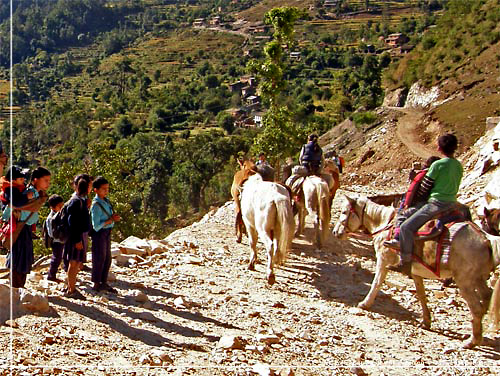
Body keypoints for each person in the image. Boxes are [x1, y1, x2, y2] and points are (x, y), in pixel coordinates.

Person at [384, 134, 463, 275]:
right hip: (453, 203)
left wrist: (414, 202)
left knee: (406, 227)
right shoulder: (458, 165)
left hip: (436, 204)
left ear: (439, 148)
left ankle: (405, 262)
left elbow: (425, 188)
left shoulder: (437, 165)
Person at [5, 166, 50, 288]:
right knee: (19, 258)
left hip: (26, 228)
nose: (48, 184)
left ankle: (19, 287)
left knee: (23, 258)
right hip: (22, 228)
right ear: (36, 180)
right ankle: (15, 288)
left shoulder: (36, 193)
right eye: (45, 180)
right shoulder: (29, 193)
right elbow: (18, 206)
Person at [390, 156, 441, 242]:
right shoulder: (441, 177)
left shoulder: (427, 175)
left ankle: (397, 238)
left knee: (402, 215)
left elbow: (420, 193)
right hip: (442, 202)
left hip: (425, 204)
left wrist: (409, 203)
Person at [90, 176, 121, 293]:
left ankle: (103, 282)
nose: (106, 191)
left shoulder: (106, 201)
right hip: (99, 234)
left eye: (107, 188)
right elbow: (96, 225)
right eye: (103, 189)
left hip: (107, 232)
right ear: (96, 190)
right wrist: (110, 220)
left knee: (107, 258)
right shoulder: (96, 205)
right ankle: (97, 283)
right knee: (99, 258)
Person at [63, 177, 91, 299]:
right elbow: (72, 223)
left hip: (76, 236)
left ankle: (70, 287)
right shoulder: (76, 202)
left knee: (75, 263)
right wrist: (77, 240)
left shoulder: (79, 201)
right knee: (73, 263)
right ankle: (71, 290)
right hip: (75, 237)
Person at [45, 194, 65, 283]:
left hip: (62, 239)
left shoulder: (61, 215)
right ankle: (51, 275)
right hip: (56, 241)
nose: (61, 208)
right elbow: (51, 233)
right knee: (56, 258)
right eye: (59, 206)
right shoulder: (50, 218)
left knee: (61, 257)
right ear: (53, 207)